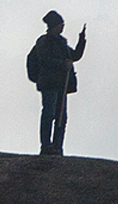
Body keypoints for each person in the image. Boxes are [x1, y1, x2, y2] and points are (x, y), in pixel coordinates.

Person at [29, 10, 86, 155]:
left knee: (61, 117)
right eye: (61, 24)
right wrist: (62, 64)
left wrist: (81, 41)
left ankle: (57, 147)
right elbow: (45, 59)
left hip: (61, 85)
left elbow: (74, 56)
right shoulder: (44, 42)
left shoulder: (61, 43)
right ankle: (46, 146)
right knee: (49, 114)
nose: (62, 27)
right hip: (49, 84)